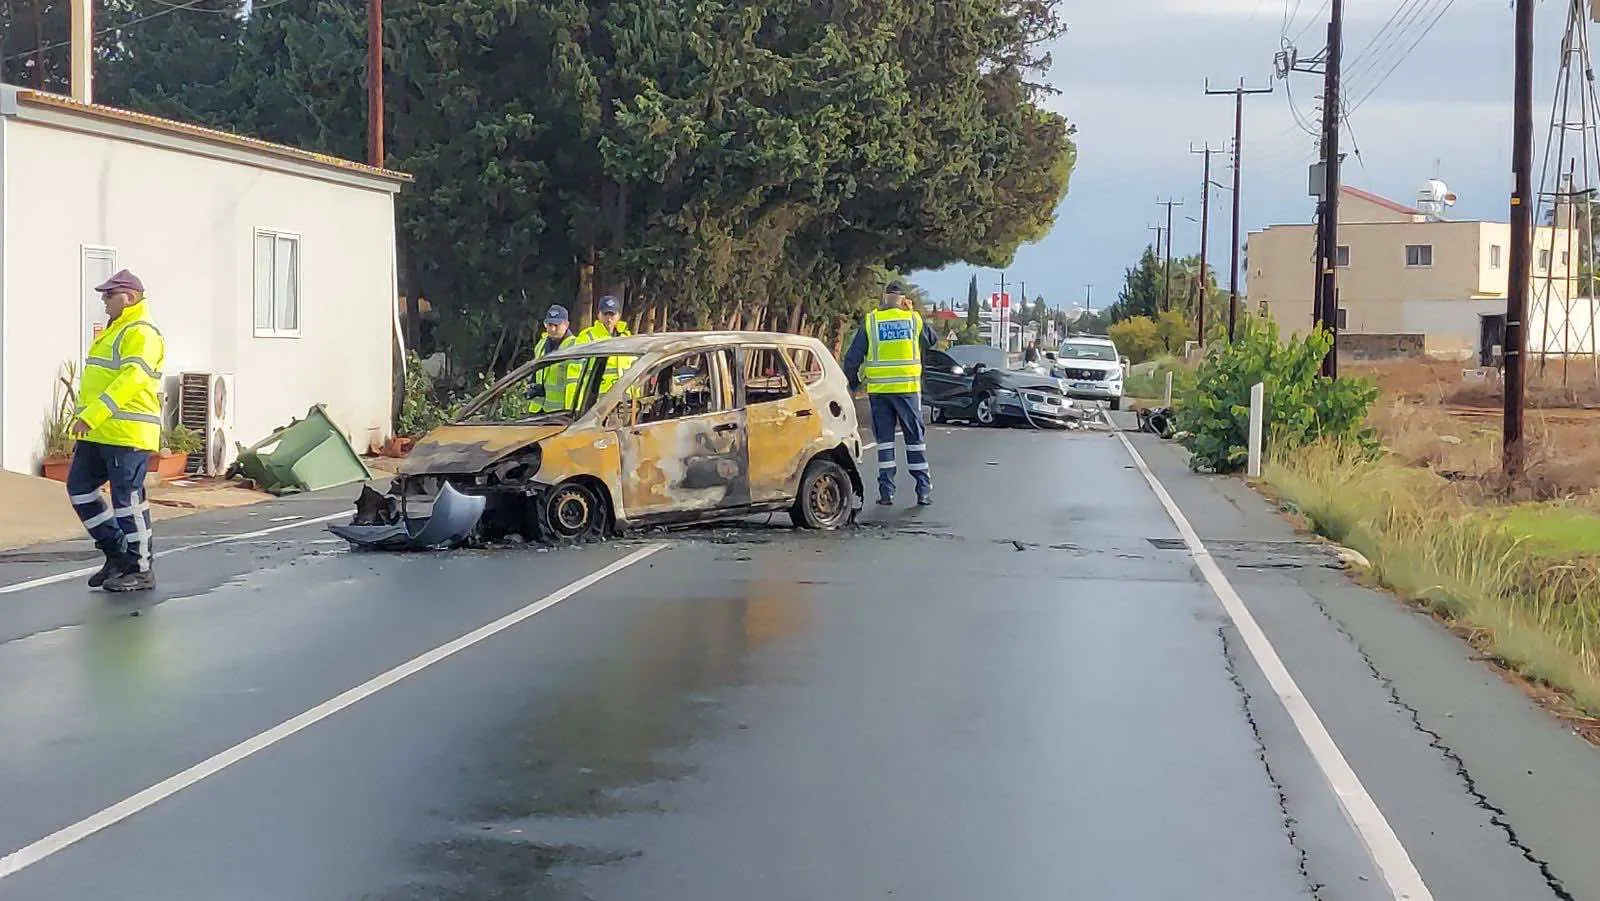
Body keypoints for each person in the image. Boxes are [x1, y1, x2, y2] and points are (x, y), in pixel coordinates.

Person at [69, 269, 167, 592]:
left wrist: (92, 415)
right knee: (80, 488)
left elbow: (131, 380)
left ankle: (140, 567)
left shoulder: (141, 332)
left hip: (127, 432)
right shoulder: (115, 331)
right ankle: (117, 553)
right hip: (101, 432)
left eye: (109, 295)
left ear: (130, 297)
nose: (104, 301)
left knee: (128, 499)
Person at [843, 281, 938, 506]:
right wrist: (913, 311)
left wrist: (854, 384)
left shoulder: (871, 321)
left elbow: (851, 359)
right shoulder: (912, 319)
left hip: (879, 392)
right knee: (915, 440)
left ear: (883, 298)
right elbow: (932, 340)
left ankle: (887, 492)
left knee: (884, 442)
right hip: (906, 391)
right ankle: (922, 490)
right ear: (903, 299)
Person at [575, 294, 635, 396]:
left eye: (612, 314)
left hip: (624, 400)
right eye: (605, 314)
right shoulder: (587, 338)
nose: (609, 318)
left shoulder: (627, 338)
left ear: (619, 315)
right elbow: (576, 373)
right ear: (598, 315)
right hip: (598, 399)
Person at [528, 305, 579, 413]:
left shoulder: (574, 346)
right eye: (549, 325)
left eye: (556, 325)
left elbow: (574, 383)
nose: (552, 329)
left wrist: (572, 411)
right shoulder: (541, 344)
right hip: (538, 409)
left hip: (560, 412)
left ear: (566, 325)